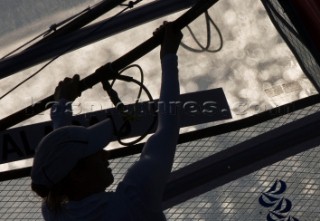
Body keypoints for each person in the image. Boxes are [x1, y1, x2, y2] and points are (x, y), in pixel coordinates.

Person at [31, 22, 183, 220]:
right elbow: (168, 128)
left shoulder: (56, 209)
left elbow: (62, 157)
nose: (105, 155)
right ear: (77, 175)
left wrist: (62, 105)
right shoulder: (135, 199)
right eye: (95, 153)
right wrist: (169, 57)